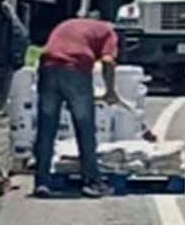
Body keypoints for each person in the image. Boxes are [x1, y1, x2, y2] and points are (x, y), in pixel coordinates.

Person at [33, 16, 122, 198]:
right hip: (75, 71)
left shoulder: (71, 24)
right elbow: (107, 61)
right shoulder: (109, 33)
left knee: (46, 128)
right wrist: (110, 91)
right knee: (85, 127)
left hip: (48, 67)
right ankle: (92, 181)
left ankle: (42, 182)